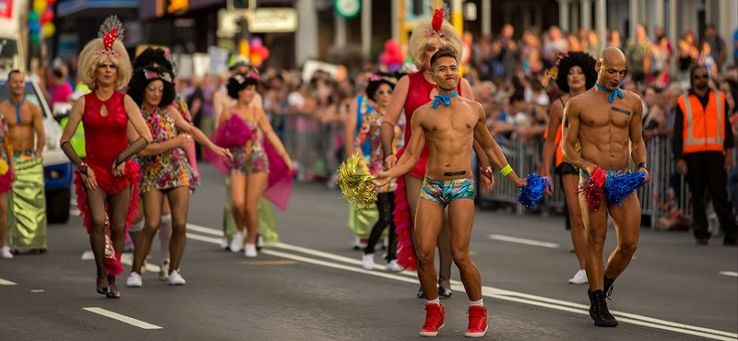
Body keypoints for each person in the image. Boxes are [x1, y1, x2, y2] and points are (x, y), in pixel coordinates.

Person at [375, 47, 524, 337]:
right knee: (424, 253)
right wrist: (388, 175)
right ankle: (433, 309)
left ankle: (478, 310)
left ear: (459, 71)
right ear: (432, 74)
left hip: (462, 186)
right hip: (432, 185)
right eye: (442, 68)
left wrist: (513, 177)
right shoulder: (422, 114)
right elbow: (410, 154)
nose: (449, 73)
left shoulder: (473, 109)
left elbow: (490, 147)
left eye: (453, 68)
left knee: (459, 254)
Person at [380, 3, 491, 299]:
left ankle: (444, 279)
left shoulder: (462, 83)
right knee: (424, 224)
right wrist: (389, 151)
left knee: (449, 229)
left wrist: (486, 162)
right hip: (416, 163)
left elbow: (476, 129)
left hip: (454, 163)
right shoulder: (407, 81)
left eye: (441, 49)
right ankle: (426, 276)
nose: (435, 54)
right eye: (429, 49)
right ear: (421, 52)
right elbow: (388, 121)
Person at [60, 16, 153, 298]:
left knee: (120, 226)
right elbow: (64, 141)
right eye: (103, 65)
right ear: (93, 69)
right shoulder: (82, 102)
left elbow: (146, 137)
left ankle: (113, 278)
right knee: (99, 222)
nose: (108, 70)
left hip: (122, 172)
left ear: (119, 69)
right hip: (93, 172)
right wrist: (82, 165)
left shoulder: (125, 101)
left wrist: (124, 156)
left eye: (113, 66)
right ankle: (101, 270)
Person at [562, 47, 650, 327]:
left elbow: (637, 141)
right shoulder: (578, 104)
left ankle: (604, 282)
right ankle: (597, 299)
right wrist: (587, 167)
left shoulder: (633, 102)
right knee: (596, 239)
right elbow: (566, 149)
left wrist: (643, 165)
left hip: (622, 179)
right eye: (611, 70)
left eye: (621, 72)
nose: (616, 76)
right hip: (593, 180)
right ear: (599, 66)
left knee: (629, 243)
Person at [125, 65, 230, 287]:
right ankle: (136, 272)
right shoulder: (134, 115)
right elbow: (142, 149)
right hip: (151, 172)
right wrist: (174, 142)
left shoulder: (170, 111)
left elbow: (190, 130)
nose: (156, 94)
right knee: (151, 223)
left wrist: (214, 147)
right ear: (143, 90)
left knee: (179, 223)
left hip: (176, 169)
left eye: (160, 90)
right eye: (152, 89)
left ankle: (174, 269)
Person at [217, 73, 293, 257]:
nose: (252, 93)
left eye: (253, 89)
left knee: (251, 206)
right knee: (237, 203)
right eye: (248, 89)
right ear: (239, 92)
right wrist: (224, 154)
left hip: (257, 161)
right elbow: (220, 138)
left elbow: (270, 134)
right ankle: (239, 231)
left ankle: (251, 240)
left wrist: (285, 157)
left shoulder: (256, 112)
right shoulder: (228, 112)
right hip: (237, 162)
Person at [541, 52, 597, 285]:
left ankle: (599, 262)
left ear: (588, 75)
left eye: (580, 72)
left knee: (595, 218)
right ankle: (584, 268)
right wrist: (546, 172)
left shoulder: (597, 100)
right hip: (568, 163)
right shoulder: (558, 105)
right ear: (565, 76)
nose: (575, 77)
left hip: (594, 162)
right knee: (576, 216)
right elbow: (550, 140)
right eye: (571, 73)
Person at [673, 64, 736, 246]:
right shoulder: (683, 102)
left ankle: (731, 232)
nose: (702, 80)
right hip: (693, 155)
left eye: (704, 76)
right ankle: (701, 231)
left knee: (720, 194)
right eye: (698, 77)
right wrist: (679, 158)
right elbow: (678, 132)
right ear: (692, 80)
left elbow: (726, 128)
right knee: (697, 196)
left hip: (716, 154)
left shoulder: (720, 98)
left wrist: (729, 153)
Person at [356, 76, 401, 272]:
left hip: (396, 170)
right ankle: (368, 252)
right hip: (377, 170)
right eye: (381, 93)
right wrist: (363, 166)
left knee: (397, 216)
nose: (385, 96)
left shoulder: (398, 116)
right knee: (384, 216)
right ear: (374, 96)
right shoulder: (370, 118)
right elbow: (358, 142)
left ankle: (391, 257)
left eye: (389, 92)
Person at [0, 70, 47, 253]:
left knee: (34, 200)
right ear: (8, 84)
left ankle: (35, 242)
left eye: (21, 82)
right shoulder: (2, 108)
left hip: (28, 158)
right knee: (10, 205)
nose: (18, 85)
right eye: (15, 82)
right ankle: (12, 243)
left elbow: (41, 134)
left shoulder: (33, 108)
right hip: (8, 159)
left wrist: (39, 152)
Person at [0, 113, 14, 259]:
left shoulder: (2, 119)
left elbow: (7, 144)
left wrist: (12, 166)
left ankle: (3, 245)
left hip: (1, 167)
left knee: (3, 209)